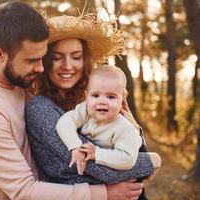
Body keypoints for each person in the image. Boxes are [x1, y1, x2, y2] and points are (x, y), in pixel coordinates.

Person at [0, 2, 151, 200]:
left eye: (41, 58)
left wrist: (133, 131)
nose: (39, 68)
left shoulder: (21, 86)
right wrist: (142, 166)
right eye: (32, 60)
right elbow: (23, 190)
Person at [25, 15, 161, 200]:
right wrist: (152, 161)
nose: (67, 66)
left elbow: (131, 143)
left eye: (76, 57)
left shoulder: (94, 99)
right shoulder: (40, 109)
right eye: (57, 57)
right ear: (46, 62)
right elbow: (101, 169)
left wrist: (136, 132)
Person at [57, 65, 146, 175]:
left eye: (110, 97)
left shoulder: (124, 127)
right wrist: (75, 146)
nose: (102, 101)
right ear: (87, 96)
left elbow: (128, 158)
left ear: (122, 100)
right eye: (95, 95)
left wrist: (97, 153)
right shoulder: (85, 110)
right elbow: (64, 122)